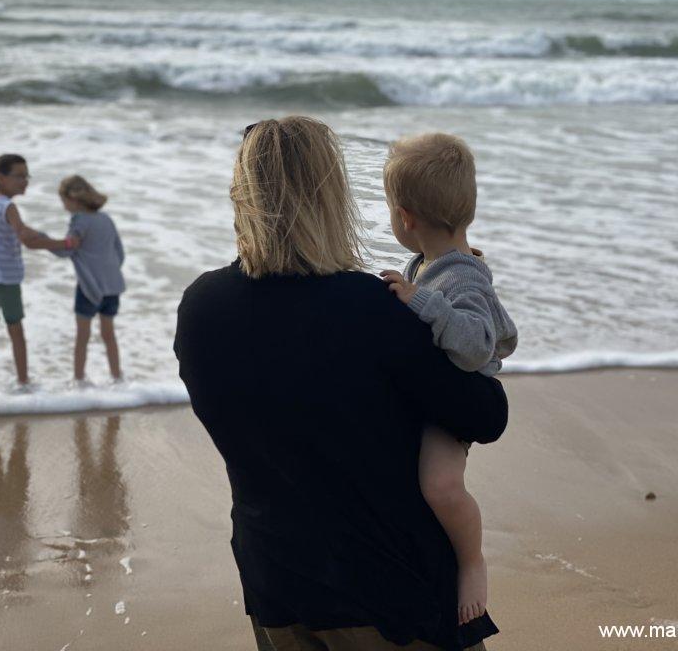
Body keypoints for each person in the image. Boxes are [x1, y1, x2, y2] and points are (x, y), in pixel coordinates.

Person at [174, 117, 508, 651]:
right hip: (391, 595)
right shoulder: (370, 308)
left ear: (241, 191)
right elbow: (486, 415)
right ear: (332, 195)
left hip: (275, 585)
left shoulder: (200, 310)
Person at [380, 132, 518, 626]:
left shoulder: (462, 277)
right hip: (434, 394)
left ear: (406, 218)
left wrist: (421, 301)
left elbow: (476, 344)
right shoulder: (433, 263)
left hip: (457, 408)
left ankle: (472, 561)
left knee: (440, 486)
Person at [0, 154, 73, 396]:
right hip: (6, 280)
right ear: (1, 178)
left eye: (27, 176)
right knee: (16, 330)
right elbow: (26, 240)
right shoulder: (9, 207)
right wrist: (62, 244)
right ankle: (23, 382)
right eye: (19, 176)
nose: (25, 181)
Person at [54, 175, 126, 384]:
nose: (64, 206)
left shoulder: (79, 220)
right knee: (108, 335)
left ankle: (79, 380)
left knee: (82, 337)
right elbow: (119, 253)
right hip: (112, 287)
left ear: (73, 199)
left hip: (89, 289)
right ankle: (117, 377)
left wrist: (43, 243)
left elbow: (68, 250)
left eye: (63, 200)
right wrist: (107, 272)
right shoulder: (106, 219)